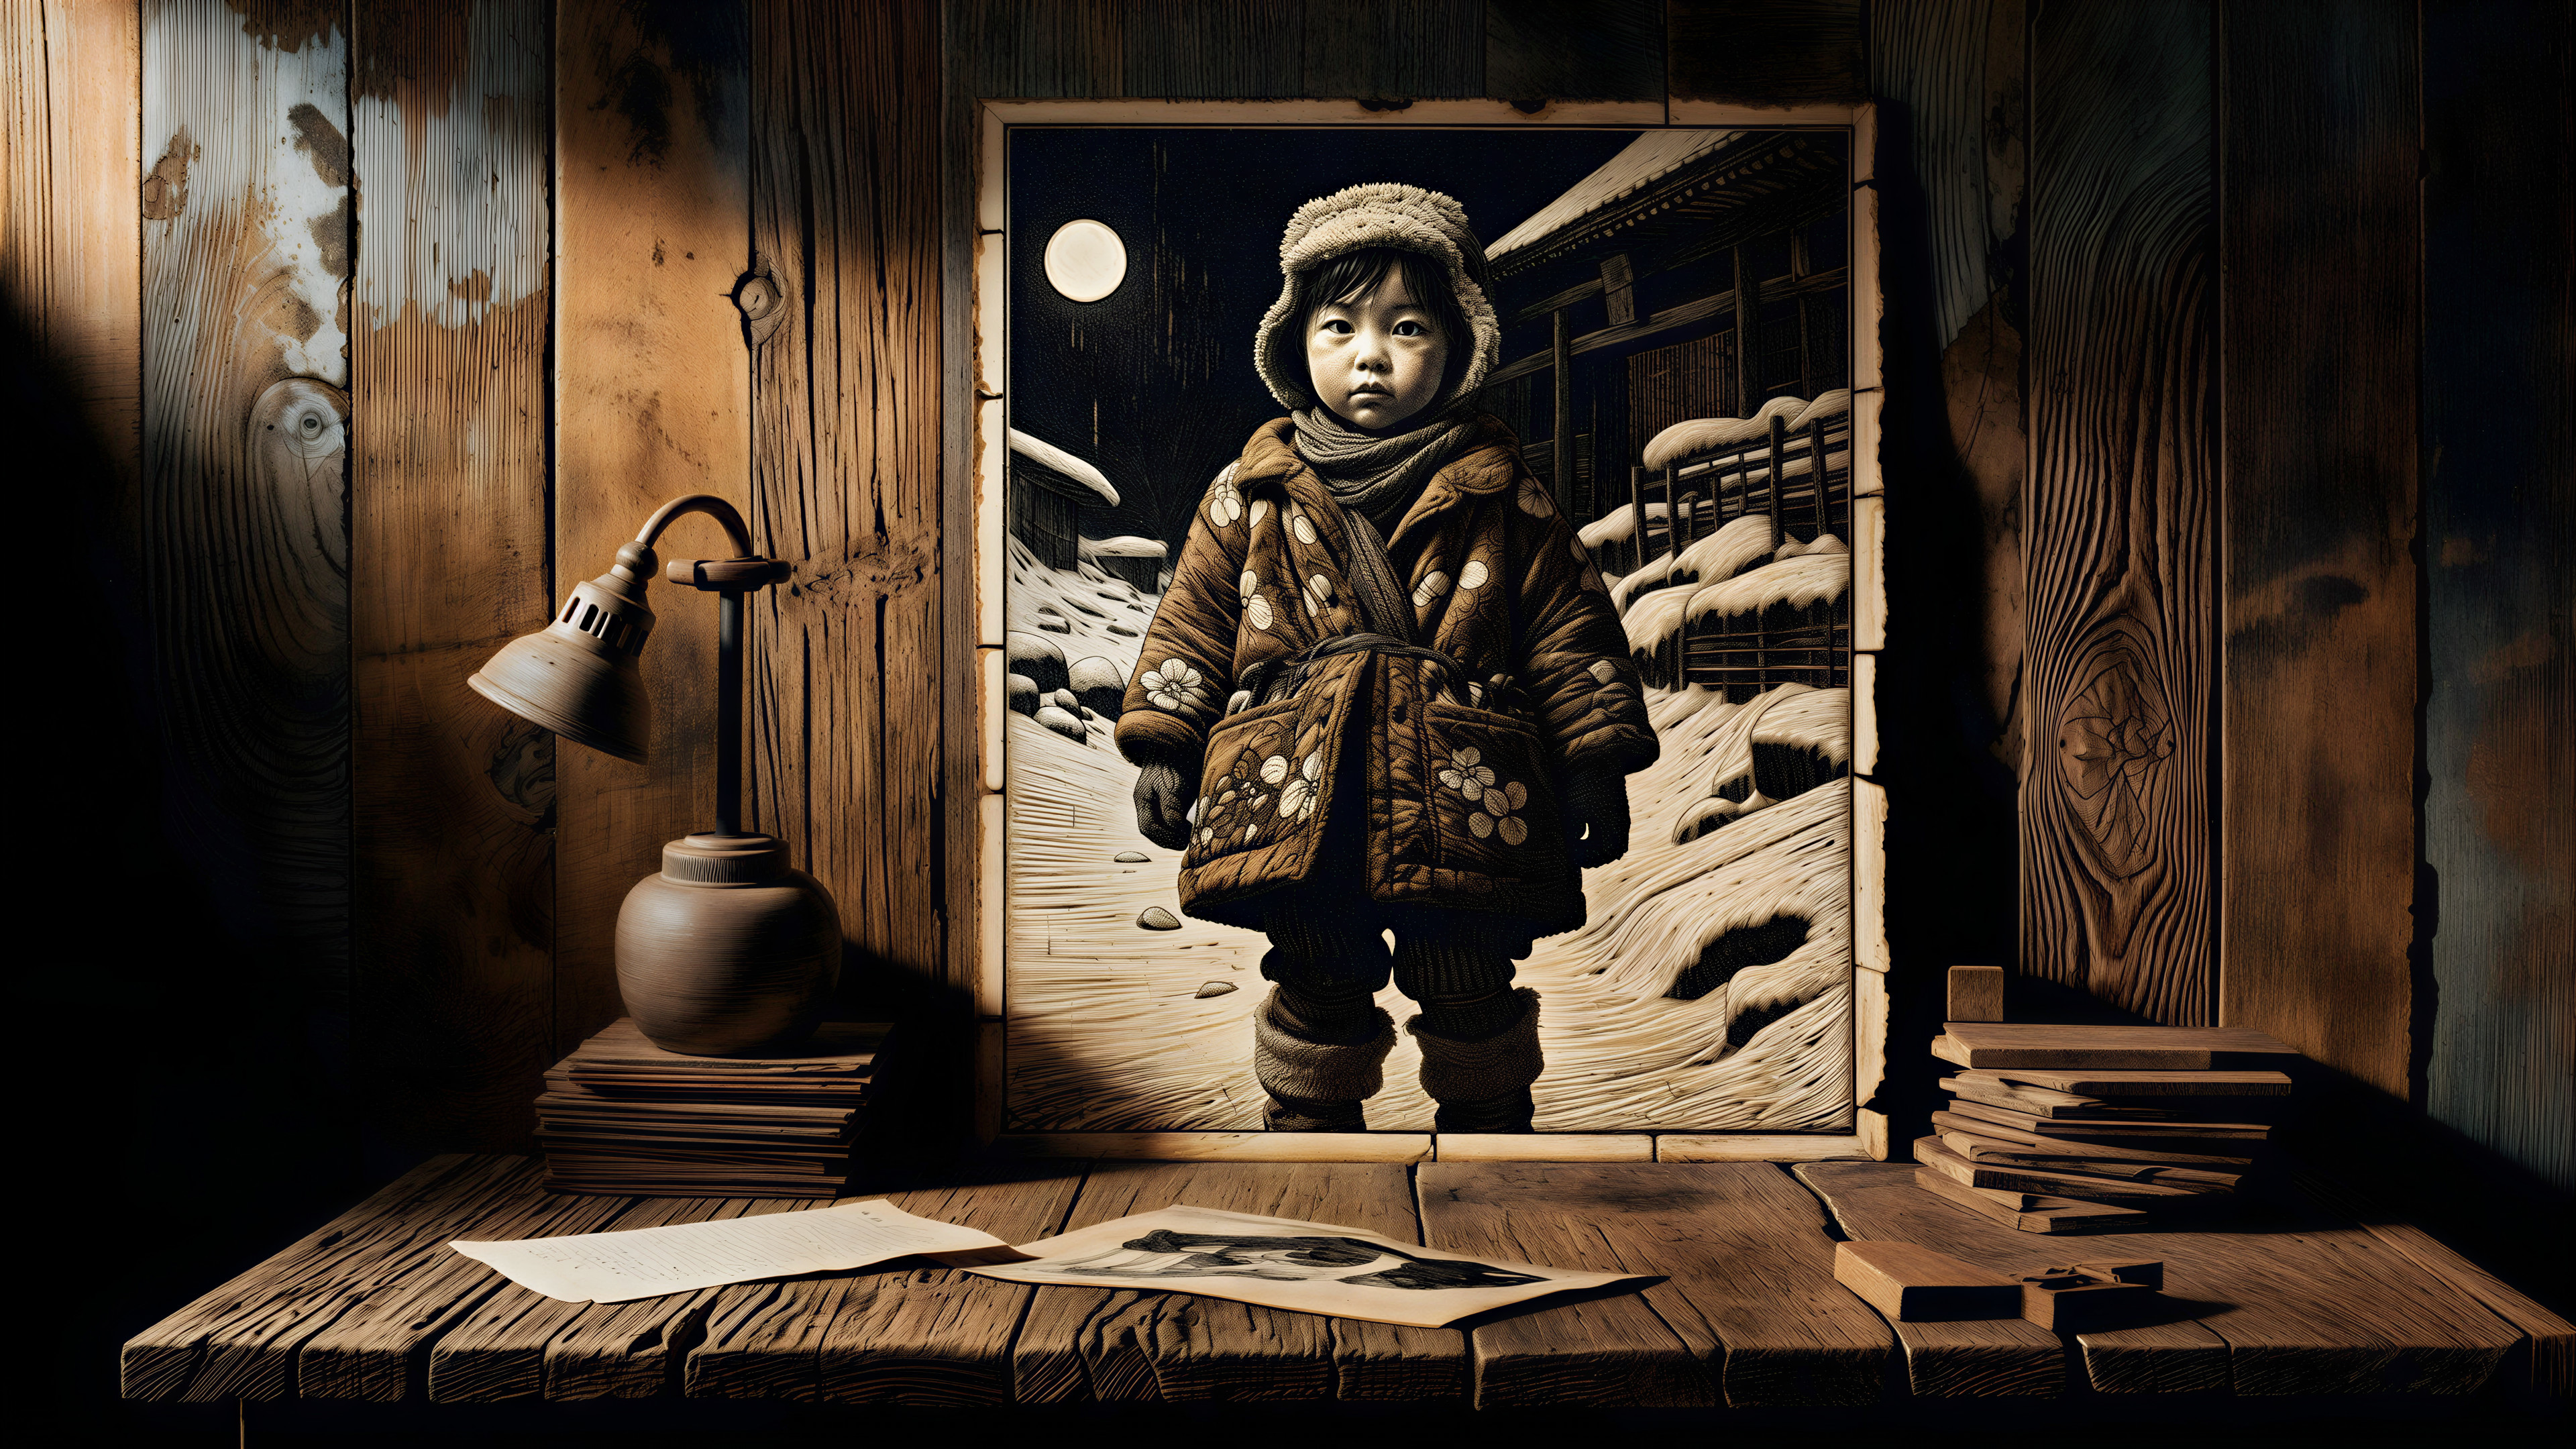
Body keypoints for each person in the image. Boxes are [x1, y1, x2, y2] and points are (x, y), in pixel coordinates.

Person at [1116, 183, 1656, 1134]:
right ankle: (1309, 1136)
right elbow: (1194, 621)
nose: (1370, 354)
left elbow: (1569, 630)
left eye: (1407, 328)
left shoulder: (1502, 495)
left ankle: (1490, 1139)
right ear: (1295, 344)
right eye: (1339, 327)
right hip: (1301, 790)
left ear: (1460, 345)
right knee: (1315, 971)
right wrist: (1166, 745)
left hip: (1463, 790)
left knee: (1469, 975)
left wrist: (1593, 764)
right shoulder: (1251, 492)